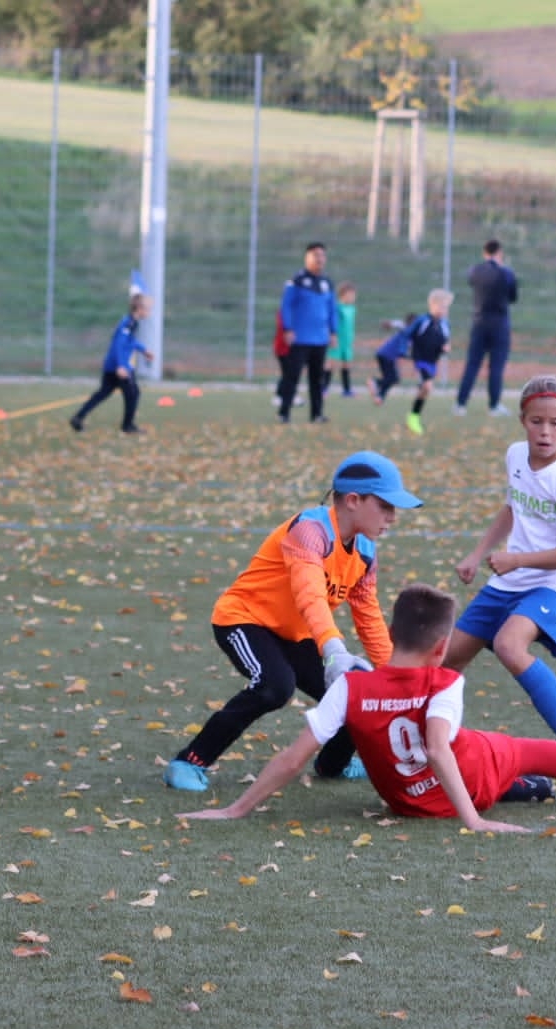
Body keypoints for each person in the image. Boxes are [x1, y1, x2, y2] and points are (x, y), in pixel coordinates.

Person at [177, 584, 556, 833]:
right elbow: (438, 749)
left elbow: (293, 758)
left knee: (491, 759)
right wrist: (473, 821)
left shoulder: (351, 687)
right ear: (442, 648)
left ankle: (522, 789)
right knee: (519, 748)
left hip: (406, 802)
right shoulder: (445, 680)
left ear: (390, 633)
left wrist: (235, 809)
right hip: (463, 787)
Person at [164, 451, 422, 792]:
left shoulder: (365, 551)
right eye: (386, 506)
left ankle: (332, 765)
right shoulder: (310, 531)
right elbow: (310, 596)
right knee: (274, 686)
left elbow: (369, 618)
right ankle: (190, 761)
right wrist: (333, 650)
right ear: (353, 500)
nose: (393, 517)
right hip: (245, 619)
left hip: (298, 633)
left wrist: (395, 677)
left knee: (358, 691)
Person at [445, 374, 556, 747]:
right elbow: (512, 508)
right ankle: (435, 741)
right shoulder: (516, 455)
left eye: (555, 423)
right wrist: (476, 555)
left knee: (510, 645)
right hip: (515, 576)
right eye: (536, 421)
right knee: (447, 659)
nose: (545, 431)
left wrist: (516, 560)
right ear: (522, 421)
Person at [69, 290, 152, 434]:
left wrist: (143, 350)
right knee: (133, 393)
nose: (149, 312)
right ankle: (128, 426)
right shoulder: (129, 323)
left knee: (103, 393)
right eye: (148, 309)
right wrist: (121, 366)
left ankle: (78, 417)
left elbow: (130, 341)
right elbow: (119, 343)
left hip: (112, 364)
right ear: (139, 309)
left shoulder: (130, 322)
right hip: (119, 366)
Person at [277, 242, 338, 424]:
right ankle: (284, 412)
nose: (319, 259)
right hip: (300, 338)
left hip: (320, 339)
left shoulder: (327, 283)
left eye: (322, 255)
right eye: (315, 255)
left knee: (317, 379)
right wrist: (288, 329)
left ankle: (316, 414)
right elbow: (286, 306)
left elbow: (332, 309)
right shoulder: (296, 281)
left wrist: (333, 331)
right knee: (292, 376)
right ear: (307, 257)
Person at [457, 239, 518, 416]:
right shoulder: (506, 273)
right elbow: (513, 297)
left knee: (472, 364)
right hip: (500, 325)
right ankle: (494, 405)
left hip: (479, 323)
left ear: (484, 253)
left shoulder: (475, 271)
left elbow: (471, 282)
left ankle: (460, 404)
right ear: (499, 253)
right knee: (496, 366)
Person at [401, 289, 452, 435]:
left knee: (424, 391)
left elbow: (444, 342)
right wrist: (404, 350)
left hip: (432, 362)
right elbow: (407, 334)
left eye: (446, 307)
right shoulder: (422, 321)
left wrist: (445, 348)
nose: (444, 310)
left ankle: (413, 417)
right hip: (420, 359)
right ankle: (413, 418)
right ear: (432, 305)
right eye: (442, 306)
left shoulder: (445, 324)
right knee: (428, 387)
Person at [368, 313, 418, 406]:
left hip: (385, 355)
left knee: (390, 378)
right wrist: (389, 324)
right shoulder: (406, 330)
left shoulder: (410, 336)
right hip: (387, 355)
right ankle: (375, 382)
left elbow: (404, 353)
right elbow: (398, 324)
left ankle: (379, 398)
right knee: (393, 378)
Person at [327, 282, 359, 398]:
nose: (353, 298)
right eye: (350, 295)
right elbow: (332, 322)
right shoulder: (337, 307)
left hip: (347, 341)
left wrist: (352, 339)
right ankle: (323, 388)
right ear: (342, 295)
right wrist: (332, 335)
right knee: (330, 364)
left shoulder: (352, 308)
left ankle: (346, 390)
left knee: (347, 364)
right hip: (337, 340)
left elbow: (350, 325)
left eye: (354, 295)